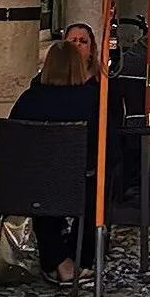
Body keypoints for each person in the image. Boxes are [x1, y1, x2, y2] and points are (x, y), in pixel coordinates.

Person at [8, 38, 97, 284]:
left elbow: (13, 142)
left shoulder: (28, 100)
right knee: (98, 182)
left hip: (26, 188)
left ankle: (56, 259)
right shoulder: (91, 100)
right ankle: (78, 257)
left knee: (44, 179)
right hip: (76, 185)